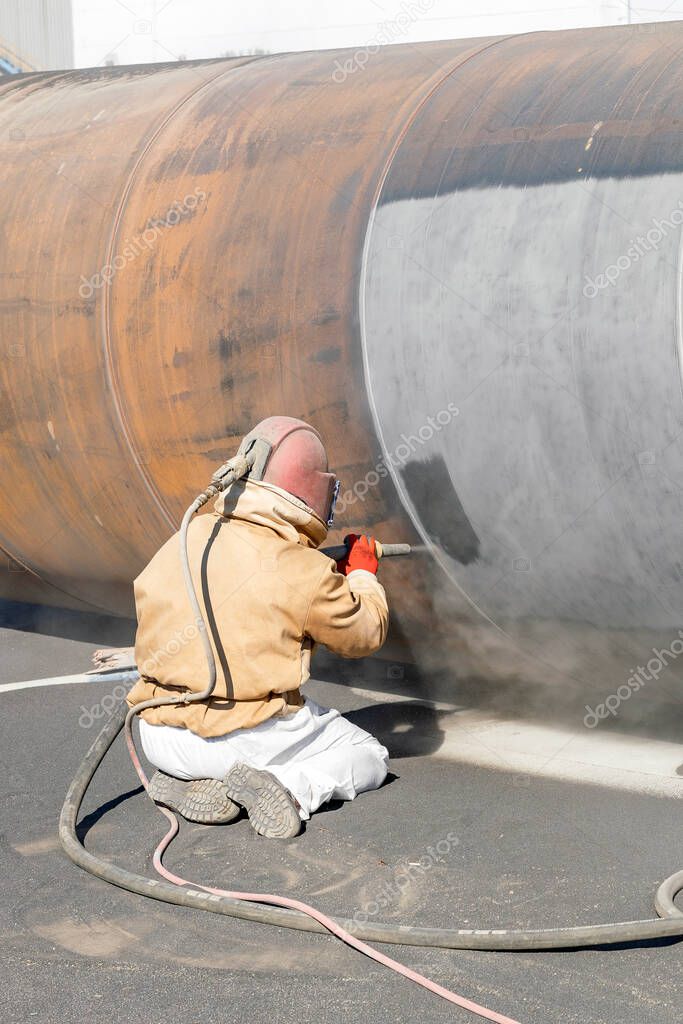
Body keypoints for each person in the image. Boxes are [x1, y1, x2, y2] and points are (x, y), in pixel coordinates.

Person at [126, 416, 390, 838]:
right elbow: (365, 633)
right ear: (315, 489)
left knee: (206, 751)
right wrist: (361, 575)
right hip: (237, 740)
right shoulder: (301, 569)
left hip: (157, 735)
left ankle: (191, 782)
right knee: (368, 754)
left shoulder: (186, 535)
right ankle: (289, 790)